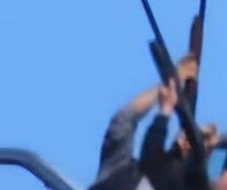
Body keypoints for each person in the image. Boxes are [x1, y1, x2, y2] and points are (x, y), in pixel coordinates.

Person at [89, 54, 218, 190]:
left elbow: (152, 154)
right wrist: (172, 83)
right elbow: (124, 120)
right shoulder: (121, 170)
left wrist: (166, 109)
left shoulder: (174, 179)